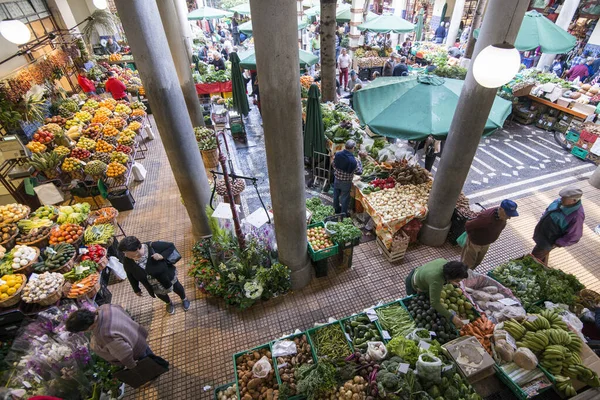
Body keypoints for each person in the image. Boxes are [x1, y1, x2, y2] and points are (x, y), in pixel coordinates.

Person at [66, 304, 168, 371]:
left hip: (136, 349)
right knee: (148, 353)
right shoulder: (105, 308)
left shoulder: (104, 335)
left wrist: (133, 367)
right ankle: (159, 363)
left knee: (148, 363)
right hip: (136, 334)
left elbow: (125, 353)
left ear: (86, 327)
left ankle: (160, 368)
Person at [119, 236, 190, 314]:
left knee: (177, 287)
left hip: (167, 276)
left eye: (126, 252)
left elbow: (170, 246)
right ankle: (168, 303)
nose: (125, 254)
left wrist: (162, 256)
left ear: (136, 249)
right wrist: (136, 289)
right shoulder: (127, 261)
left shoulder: (152, 247)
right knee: (160, 295)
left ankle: (184, 298)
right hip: (152, 284)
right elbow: (130, 275)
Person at [405, 259, 469, 328]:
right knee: (412, 302)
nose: (458, 282)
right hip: (413, 283)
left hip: (420, 272)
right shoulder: (436, 281)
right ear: (450, 277)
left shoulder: (444, 262)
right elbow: (435, 303)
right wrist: (452, 318)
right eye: (457, 280)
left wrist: (452, 281)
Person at [532, 187, 585, 265]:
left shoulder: (577, 215)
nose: (561, 199)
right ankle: (543, 264)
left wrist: (558, 243)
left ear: (574, 200)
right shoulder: (560, 201)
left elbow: (575, 235)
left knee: (534, 257)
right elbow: (548, 210)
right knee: (541, 255)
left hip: (549, 241)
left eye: (565, 198)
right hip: (542, 234)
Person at [461, 200, 519, 269]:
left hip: (486, 243)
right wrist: (472, 238)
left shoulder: (502, 218)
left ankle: (469, 274)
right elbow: (468, 225)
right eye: (507, 215)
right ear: (501, 209)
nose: (509, 218)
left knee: (477, 262)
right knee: (468, 264)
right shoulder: (485, 218)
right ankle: (462, 276)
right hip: (475, 243)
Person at [332, 140, 363, 216]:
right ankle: (343, 214)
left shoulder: (338, 154)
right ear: (353, 148)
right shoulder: (354, 160)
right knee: (344, 198)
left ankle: (336, 209)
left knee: (336, 195)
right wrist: (360, 161)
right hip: (346, 182)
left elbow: (333, 164)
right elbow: (359, 172)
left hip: (337, 179)